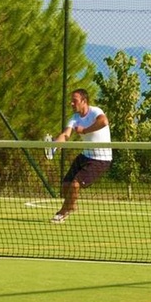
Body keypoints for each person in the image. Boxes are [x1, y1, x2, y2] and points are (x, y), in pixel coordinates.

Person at [50, 89, 112, 223]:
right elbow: (66, 135)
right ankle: (71, 206)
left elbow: (104, 122)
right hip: (85, 155)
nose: (72, 103)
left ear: (84, 101)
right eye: (71, 101)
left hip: (101, 158)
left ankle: (62, 212)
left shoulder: (95, 111)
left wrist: (84, 130)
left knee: (75, 185)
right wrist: (55, 144)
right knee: (66, 185)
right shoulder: (74, 118)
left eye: (75, 101)